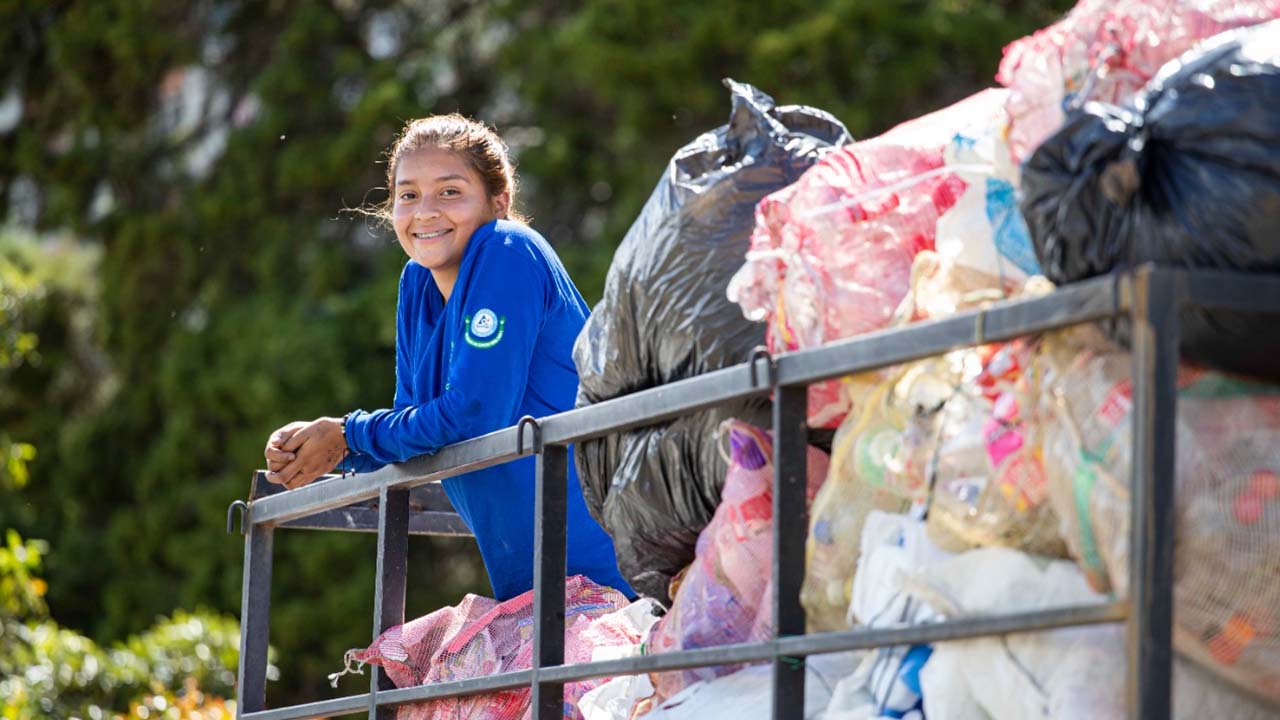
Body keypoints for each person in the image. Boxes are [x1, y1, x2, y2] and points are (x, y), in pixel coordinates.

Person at [262, 114, 633, 600]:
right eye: (408, 195)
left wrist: (348, 434)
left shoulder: (508, 248)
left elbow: (475, 415)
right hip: (538, 591)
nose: (426, 212)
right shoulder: (416, 281)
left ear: (498, 202)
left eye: (451, 192)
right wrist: (320, 444)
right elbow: (410, 426)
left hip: (618, 577)